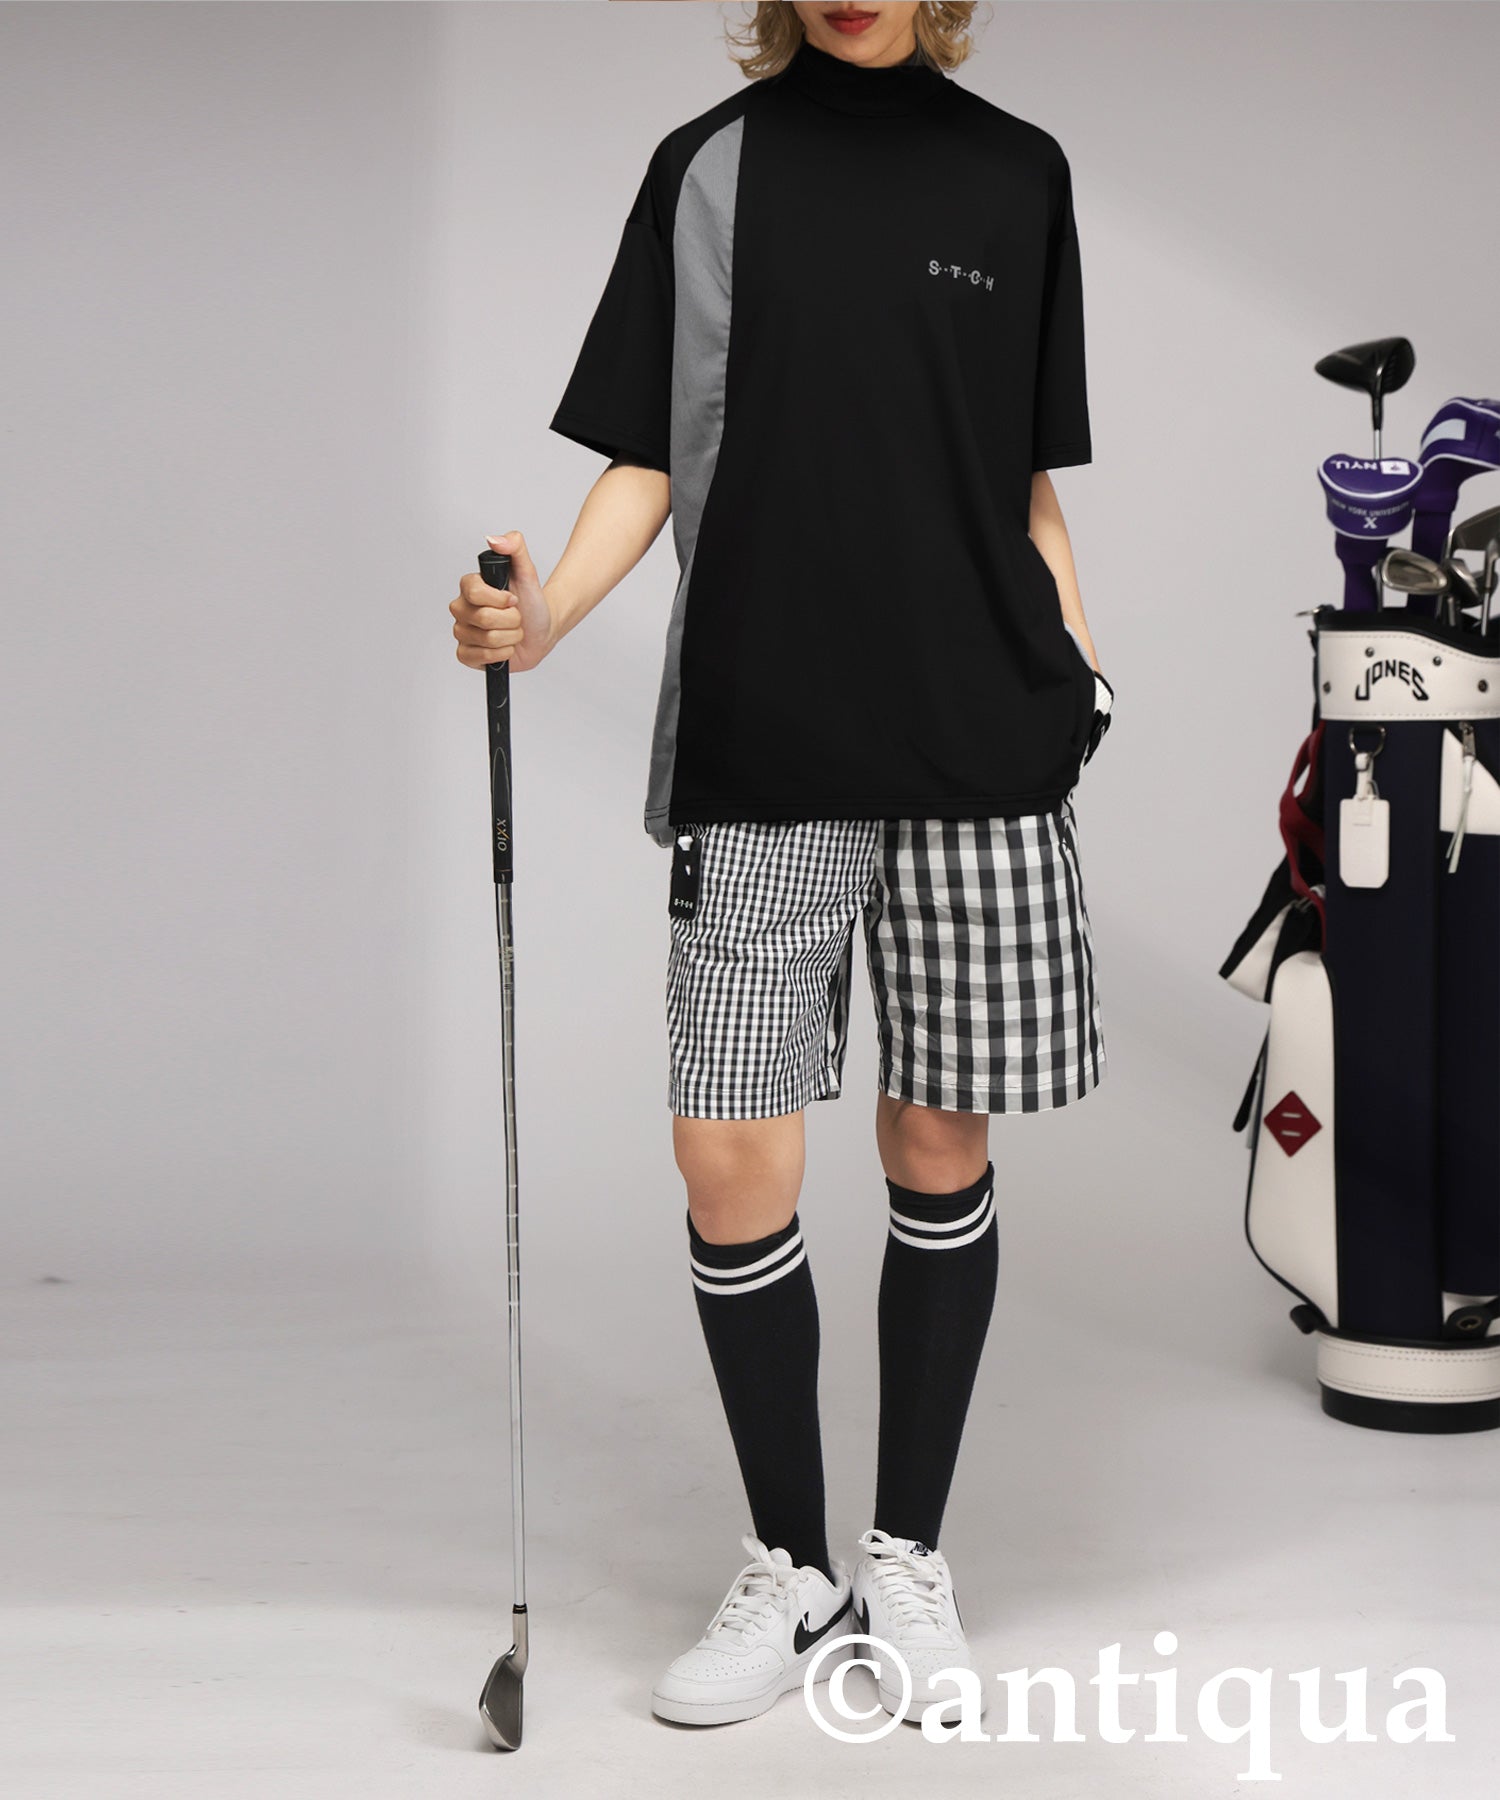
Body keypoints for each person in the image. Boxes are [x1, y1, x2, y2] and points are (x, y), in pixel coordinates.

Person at [450, 0, 1113, 1730]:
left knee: (937, 1141)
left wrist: (1080, 669)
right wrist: (542, 619)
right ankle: (791, 1565)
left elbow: (1026, 479)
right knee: (729, 1152)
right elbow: (647, 457)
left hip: (977, 741)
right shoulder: (707, 169)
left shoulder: (1019, 176)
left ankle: (909, 1562)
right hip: (764, 729)